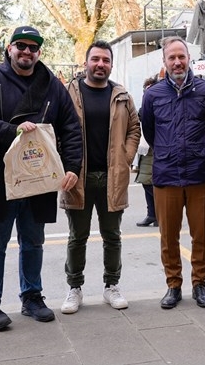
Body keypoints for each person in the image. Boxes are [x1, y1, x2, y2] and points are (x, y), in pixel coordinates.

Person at [0, 26, 82, 330]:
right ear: (9, 48)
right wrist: (12, 131)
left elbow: (71, 126)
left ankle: (32, 296)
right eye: (21, 46)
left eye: (33, 47)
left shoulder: (53, 86)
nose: (26, 52)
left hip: (39, 175)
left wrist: (72, 166)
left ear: (39, 52)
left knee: (34, 241)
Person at [59, 40, 140, 314]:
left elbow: (134, 129)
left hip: (111, 178)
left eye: (105, 60)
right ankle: (74, 288)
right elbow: (56, 130)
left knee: (112, 236)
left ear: (111, 64)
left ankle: (111, 286)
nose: (100, 64)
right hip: (77, 178)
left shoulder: (121, 96)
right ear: (86, 63)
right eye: (95, 59)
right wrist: (63, 166)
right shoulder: (69, 92)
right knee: (77, 237)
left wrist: (126, 158)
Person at [141, 36, 205, 310]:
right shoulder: (153, 95)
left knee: (201, 234)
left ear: (189, 59)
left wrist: (199, 150)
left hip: (200, 174)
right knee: (168, 236)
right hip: (166, 175)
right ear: (164, 62)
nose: (177, 62)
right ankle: (173, 285)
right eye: (171, 58)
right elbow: (149, 131)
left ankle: (200, 284)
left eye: (181, 57)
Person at [136, 76, 159, 227]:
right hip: (145, 147)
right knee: (145, 181)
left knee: (150, 182)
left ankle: (158, 214)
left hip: (155, 147)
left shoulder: (158, 102)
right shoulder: (146, 104)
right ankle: (152, 213)